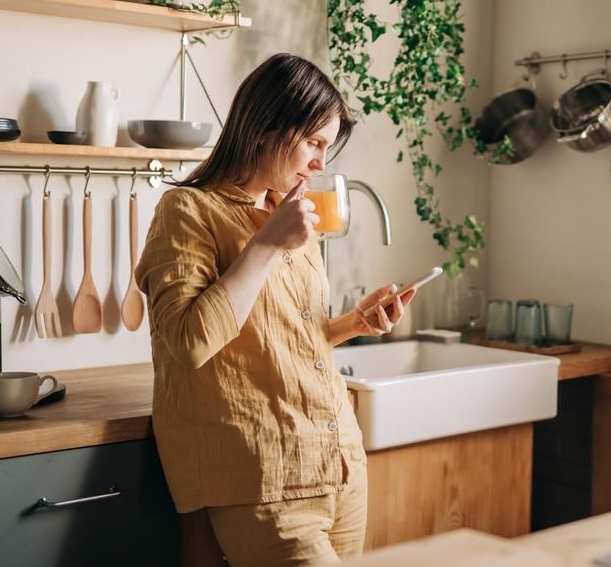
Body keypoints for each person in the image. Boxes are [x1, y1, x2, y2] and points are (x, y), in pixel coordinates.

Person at [135, 53, 415, 565]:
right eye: (314, 142)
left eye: (328, 148)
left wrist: (357, 322)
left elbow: (278, 336)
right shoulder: (188, 210)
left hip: (338, 464)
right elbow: (190, 342)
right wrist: (265, 246)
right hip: (263, 475)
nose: (320, 163)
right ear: (265, 127)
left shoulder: (287, 216)